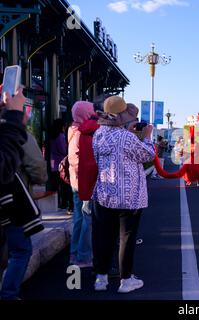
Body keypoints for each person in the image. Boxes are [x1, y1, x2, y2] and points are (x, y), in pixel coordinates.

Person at [92, 96, 155, 293]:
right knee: (126, 238)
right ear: (122, 116)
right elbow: (148, 155)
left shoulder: (98, 135)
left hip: (104, 192)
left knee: (104, 237)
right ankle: (125, 280)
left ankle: (100, 278)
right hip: (129, 196)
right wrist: (147, 137)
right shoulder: (125, 137)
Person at [0, 104, 47, 300]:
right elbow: (37, 169)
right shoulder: (18, 136)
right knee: (20, 250)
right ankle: (9, 294)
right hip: (14, 203)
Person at [68, 101, 96, 267]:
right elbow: (78, 160)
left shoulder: (73, 130)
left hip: (75, 182)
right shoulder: (81, 133)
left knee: (79, 219)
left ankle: (74, 253)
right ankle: (84, 256)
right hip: (84, 183)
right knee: (87, 219)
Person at [50, 118, 73, 212]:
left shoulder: (52, 137)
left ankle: (61, 203)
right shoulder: (61, 137)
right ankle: (66, 204)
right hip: (62, 165)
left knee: (58, 186)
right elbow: (64, 151)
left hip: (53, 165)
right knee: (65, 186)